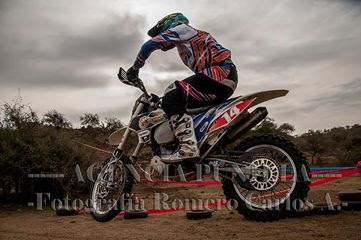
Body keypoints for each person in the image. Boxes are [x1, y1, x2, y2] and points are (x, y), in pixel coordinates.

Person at [126, 13, 238, 163]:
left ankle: (188, 147)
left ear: (170, 24)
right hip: (221, 78)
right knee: (180, 105)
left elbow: (148, 45)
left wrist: (135, 68)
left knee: (171, 92)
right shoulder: (187, 40)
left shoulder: (183, 29)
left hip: (220, 74)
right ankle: (200, 144)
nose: (162, 36)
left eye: (161, 32)